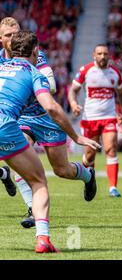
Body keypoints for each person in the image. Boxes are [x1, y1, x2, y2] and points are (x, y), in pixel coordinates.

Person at [0, 30, 101, 253]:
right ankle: (43, 239)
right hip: (10, 124)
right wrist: (77, 136)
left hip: (42, 123)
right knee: (38, 181)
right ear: (35, 50)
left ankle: (86, 175)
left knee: (62, 170)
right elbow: (52, 106)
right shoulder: (32, 72)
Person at [69, 44, 122, 197]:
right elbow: (73, 90)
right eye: (100, 53)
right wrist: (73, 103)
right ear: (94, 55)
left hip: (109, 117)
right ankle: (89, 180)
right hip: (90, 118)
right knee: (90, 156)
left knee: (111, 149)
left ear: (109, 55)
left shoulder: (115, 73)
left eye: (105, 54)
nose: (103, 56)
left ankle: (113, 188)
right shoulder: (86, 70)